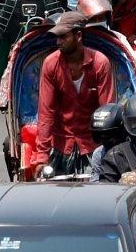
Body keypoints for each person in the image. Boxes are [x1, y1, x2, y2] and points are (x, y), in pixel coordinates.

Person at [34, 11, 115, 178]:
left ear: (78, 36)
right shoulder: (51, 64)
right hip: (61, 143)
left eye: (63, 37)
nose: (58, 42)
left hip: (91, 144)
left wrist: (109, 152)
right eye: (57, 37)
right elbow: (46, 112)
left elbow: (107, 112)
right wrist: (42, 156)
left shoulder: (100, 63)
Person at [88, 102, 126, 182]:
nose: (105, 140)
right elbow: (96, 184)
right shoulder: (99, 154)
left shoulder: (132, 152)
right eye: (100, 136)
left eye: (109, 135)